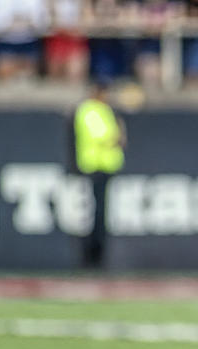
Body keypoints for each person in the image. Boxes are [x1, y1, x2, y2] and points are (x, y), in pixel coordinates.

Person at [73, 79, 126, 268]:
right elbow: (103, 137)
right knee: (95, 213)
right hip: (94, 166)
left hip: (106, 166)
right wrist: (118, 134)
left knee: (102, 214)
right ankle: (92, 256)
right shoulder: (89, 110)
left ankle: (98, 254)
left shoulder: (103, 110)